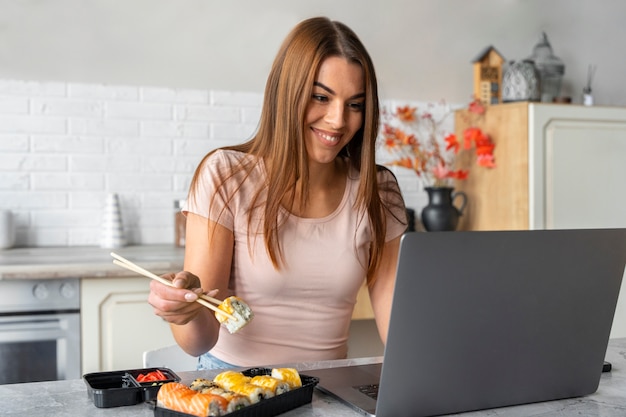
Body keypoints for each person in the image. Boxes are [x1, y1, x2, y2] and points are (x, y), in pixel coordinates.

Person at [148, 16, 408, 369]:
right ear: (287, 93)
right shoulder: (226, 175)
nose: (338, 120)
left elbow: (401, 331)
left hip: (328, 389)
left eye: (355, 104)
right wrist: (186, 312)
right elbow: (199, 342)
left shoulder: (377, 191)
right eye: (321, 97)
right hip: (234, 384)